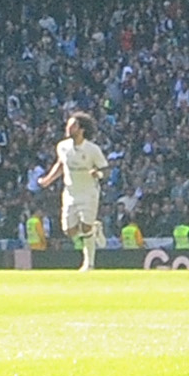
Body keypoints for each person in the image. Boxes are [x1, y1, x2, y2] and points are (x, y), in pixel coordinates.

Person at [34, 112, 110, 272]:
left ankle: (89, 264)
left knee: (86, 227)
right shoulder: (62, 146)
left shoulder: (92, 149)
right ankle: (94, 230)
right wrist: (48, 179)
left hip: (89, 192)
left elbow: (105, 169)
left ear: (81, 129)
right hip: (70, 192)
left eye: (73, 125)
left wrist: (99, 174)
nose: (68, 128)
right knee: (69, 231)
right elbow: (61, 164)